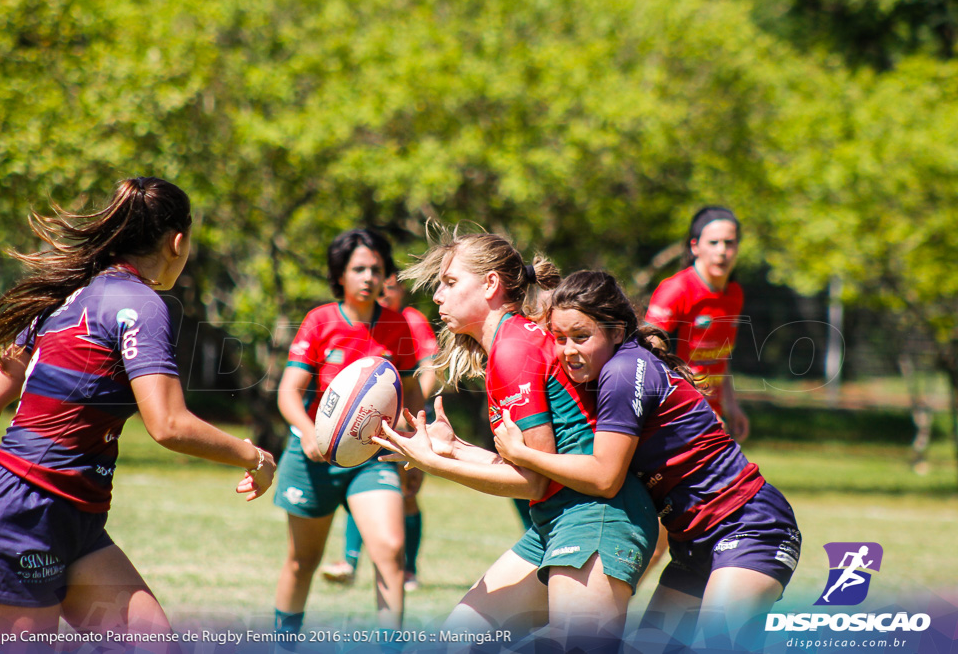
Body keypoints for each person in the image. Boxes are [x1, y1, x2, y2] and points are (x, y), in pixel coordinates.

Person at [0, 177, 277, 641]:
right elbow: (167, 425)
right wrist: (254, 456)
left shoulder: (68, 297)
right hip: (21, 516)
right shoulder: (143, 303)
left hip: (67, 518)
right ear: (177, 241)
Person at [374, 226, 657, 641]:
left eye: (450, 283)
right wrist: (454, 450)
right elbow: (528, 462)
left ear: (491, 284)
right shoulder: (512, 341)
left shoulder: (512, 350)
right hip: (557, 520)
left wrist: (433, 464)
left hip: (594, 519)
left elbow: (532, 480)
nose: (437, 296)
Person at [494, 270, 801, 650]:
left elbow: (605, 477)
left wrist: (522, 455)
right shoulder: (613, 368)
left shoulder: (623, 372)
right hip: (694, 541)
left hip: (748, 526)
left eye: (581, 336)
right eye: (559, 338)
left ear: (618, 331)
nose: (568, 350)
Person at [273, 229, 425, 633]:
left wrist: (417, 451)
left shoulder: (398, 325)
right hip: (314, 458)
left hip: (370, 458)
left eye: (376, 269)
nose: (369, 277)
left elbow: (410, 393)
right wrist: (307, 433)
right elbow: (288, 392)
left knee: (390, 551)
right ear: (340, 274)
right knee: (302, 561)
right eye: (358, 268)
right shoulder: (320, 320)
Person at [642, 206, 750, 583]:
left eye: (730, 243)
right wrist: (698, 410)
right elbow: (648, 356)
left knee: (709, 526)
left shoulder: (732, 294)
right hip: (681, 425)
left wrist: (731, 405)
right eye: (714, 242)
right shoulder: (677, 290)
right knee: (658, 537)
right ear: (695, 247)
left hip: (714, 425)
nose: (723, 250)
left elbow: (722, 358)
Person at [320, 273, 438, 591]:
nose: (383, 293)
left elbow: (426, 370)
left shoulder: (410, 320)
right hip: (368, 423)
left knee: (406, 496)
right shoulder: (365, 320)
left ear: (401, 289)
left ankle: (409, 570)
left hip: (403, 420)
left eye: (390, 287)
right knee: (362, 487)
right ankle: (350, 560)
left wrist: (409, 411)